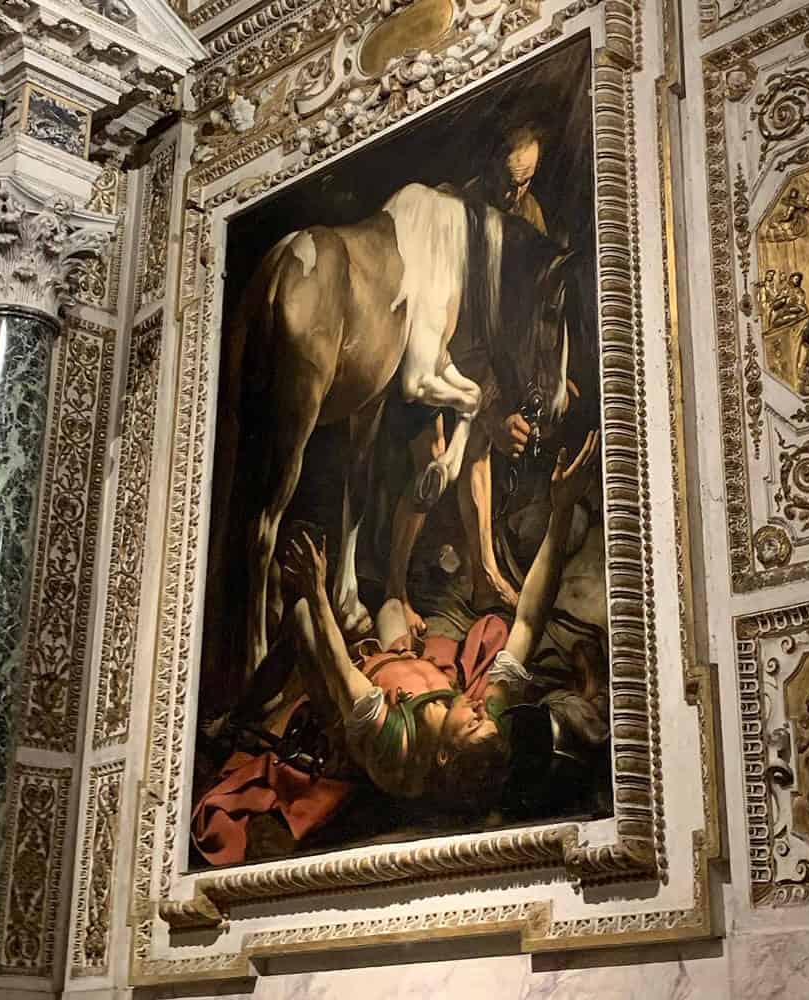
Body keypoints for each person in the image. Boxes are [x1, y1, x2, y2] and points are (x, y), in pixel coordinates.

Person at [192, 432, 600, 862]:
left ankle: (241, 713)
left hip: (347, 689)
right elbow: (529, 622)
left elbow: (340, 671)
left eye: (473, 724)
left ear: (443, 756)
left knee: (303, 619)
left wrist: (316, 590)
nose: (481, 709)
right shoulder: (483, 719)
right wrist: (561, 510)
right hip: (400, 658)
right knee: (391, 606)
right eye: (486, 719)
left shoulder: (397, 747)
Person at [386, 121, 564, 629]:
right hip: (433, 355)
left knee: (479, 454)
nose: (514, 194)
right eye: (508, 181)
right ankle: (395, 590)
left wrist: (542, 377)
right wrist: (489, 409)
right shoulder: (453, 214)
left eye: (525, 182)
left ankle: (485, 573)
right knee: (432, 461)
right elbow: (442, 327)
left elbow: (525, 316)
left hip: (481, 364)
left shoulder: (528, 217)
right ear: (489, 165)